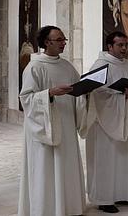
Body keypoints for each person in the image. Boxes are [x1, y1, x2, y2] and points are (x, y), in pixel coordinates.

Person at [17, 26, 86, 215]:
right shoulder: (34, 67)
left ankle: (69, 207)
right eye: (60, 39)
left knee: (66, 166)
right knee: (45, 169)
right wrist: (49, 93)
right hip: (45, 127)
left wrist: (85, 93)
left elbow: (78, 89)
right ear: (47, 42)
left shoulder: (67, 66)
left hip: (66, 123)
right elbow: (26, 98)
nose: (64, 43)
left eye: (64, 39)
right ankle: (46, 209)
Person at [79, 31, 128, 213]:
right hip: (105, 122)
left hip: (127, 117)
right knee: (106, 159)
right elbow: (95, 93)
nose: (124, 48)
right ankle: (104, 198)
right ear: (110, 47)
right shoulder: (100, 65)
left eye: (126, 44)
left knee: (126, 156)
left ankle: (126, 194)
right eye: (120, 45)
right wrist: (121, 96)